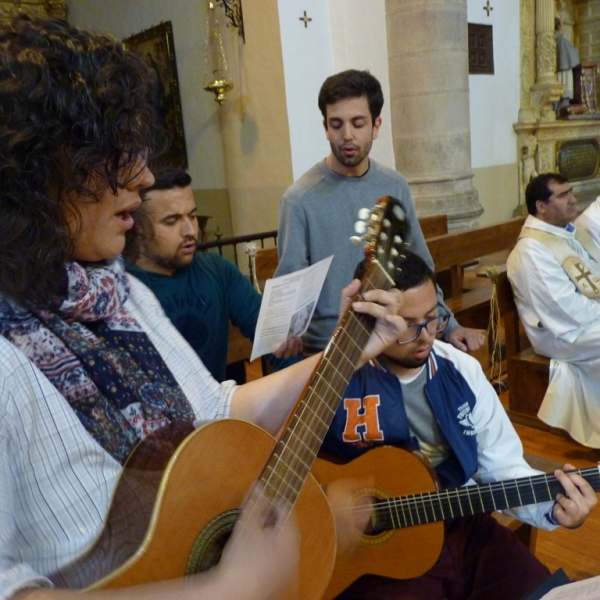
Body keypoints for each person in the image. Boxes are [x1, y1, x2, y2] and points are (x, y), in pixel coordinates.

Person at [0, 15, 407, 600]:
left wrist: (348, 346)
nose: (141, 179)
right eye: (111, 157)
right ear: (38, 174)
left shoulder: (118, 294)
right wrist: (228, 587)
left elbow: (216, 410)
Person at [320, 251, 597, 600]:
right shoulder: (331, 379)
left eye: (433, 319)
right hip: (380, 556)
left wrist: (555, 510)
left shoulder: (460, 370)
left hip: (462, 524)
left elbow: (502, 464)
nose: (425, 336)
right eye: (407, 325)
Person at [275, 69, 484, 357]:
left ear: (376, 126)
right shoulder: (300, 200)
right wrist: (288, 334)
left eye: (358, 124)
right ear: (325, 127)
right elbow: (290, 290)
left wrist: (450, 326)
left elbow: (419, 266)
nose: (347, 135)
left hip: (395, 339)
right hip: (330, 350)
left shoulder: (393, 185)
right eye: (336, 124)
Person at [124, 166, 302, 383]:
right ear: (139, 227)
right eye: (172, 221)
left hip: (219, 412)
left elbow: (273, 341)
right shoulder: (121, 289)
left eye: (192, 216)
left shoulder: (218, 270)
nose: (190, 231)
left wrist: (292, 357)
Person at [507, 173, 600, 447]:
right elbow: (564, 309)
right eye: (563, 195)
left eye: (571, 192)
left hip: (583, 322)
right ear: (541, 206)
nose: (573, 200)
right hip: (561, 334)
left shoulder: (568, 234)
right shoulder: (531, 251)